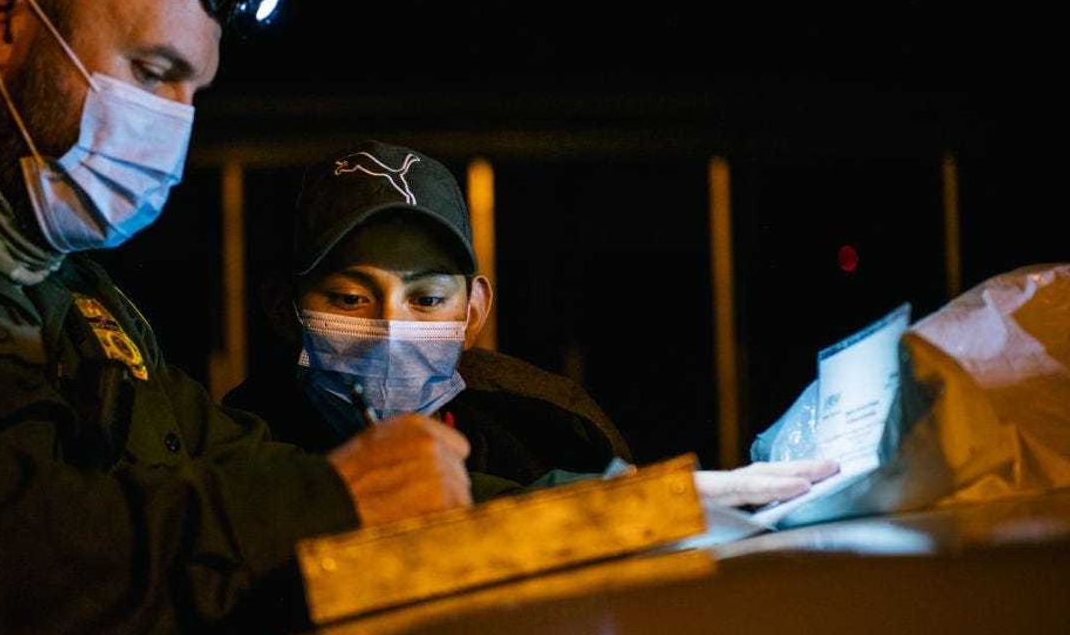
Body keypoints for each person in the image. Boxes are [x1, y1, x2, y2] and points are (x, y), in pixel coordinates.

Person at [0, 0, 472, 635]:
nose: (175, 140)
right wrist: (321, 507)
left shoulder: (65, 280)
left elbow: (208, 450)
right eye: (153, 74)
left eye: (194, 91)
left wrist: (563, 507)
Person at [226, 140, 839, 504]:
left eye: (427, 300)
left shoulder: (548, 425)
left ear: (474, 312)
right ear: (285, 309)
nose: (392, 328)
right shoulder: (237, 449)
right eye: (350, 298)